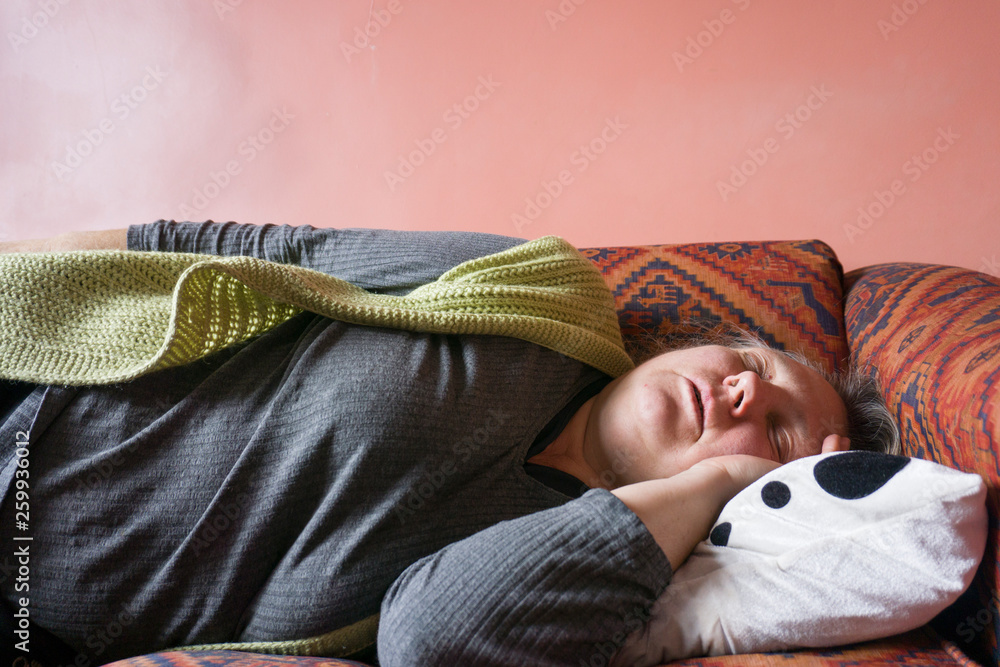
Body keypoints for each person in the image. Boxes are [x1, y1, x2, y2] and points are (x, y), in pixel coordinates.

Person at [0, 221, 900, 667]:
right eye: (747, 360)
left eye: (772, 423)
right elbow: (249, 246)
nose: (742, 386)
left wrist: (729, 478)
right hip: (32, 393)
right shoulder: (547, 295)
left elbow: (428, 640)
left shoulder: (579, 556)